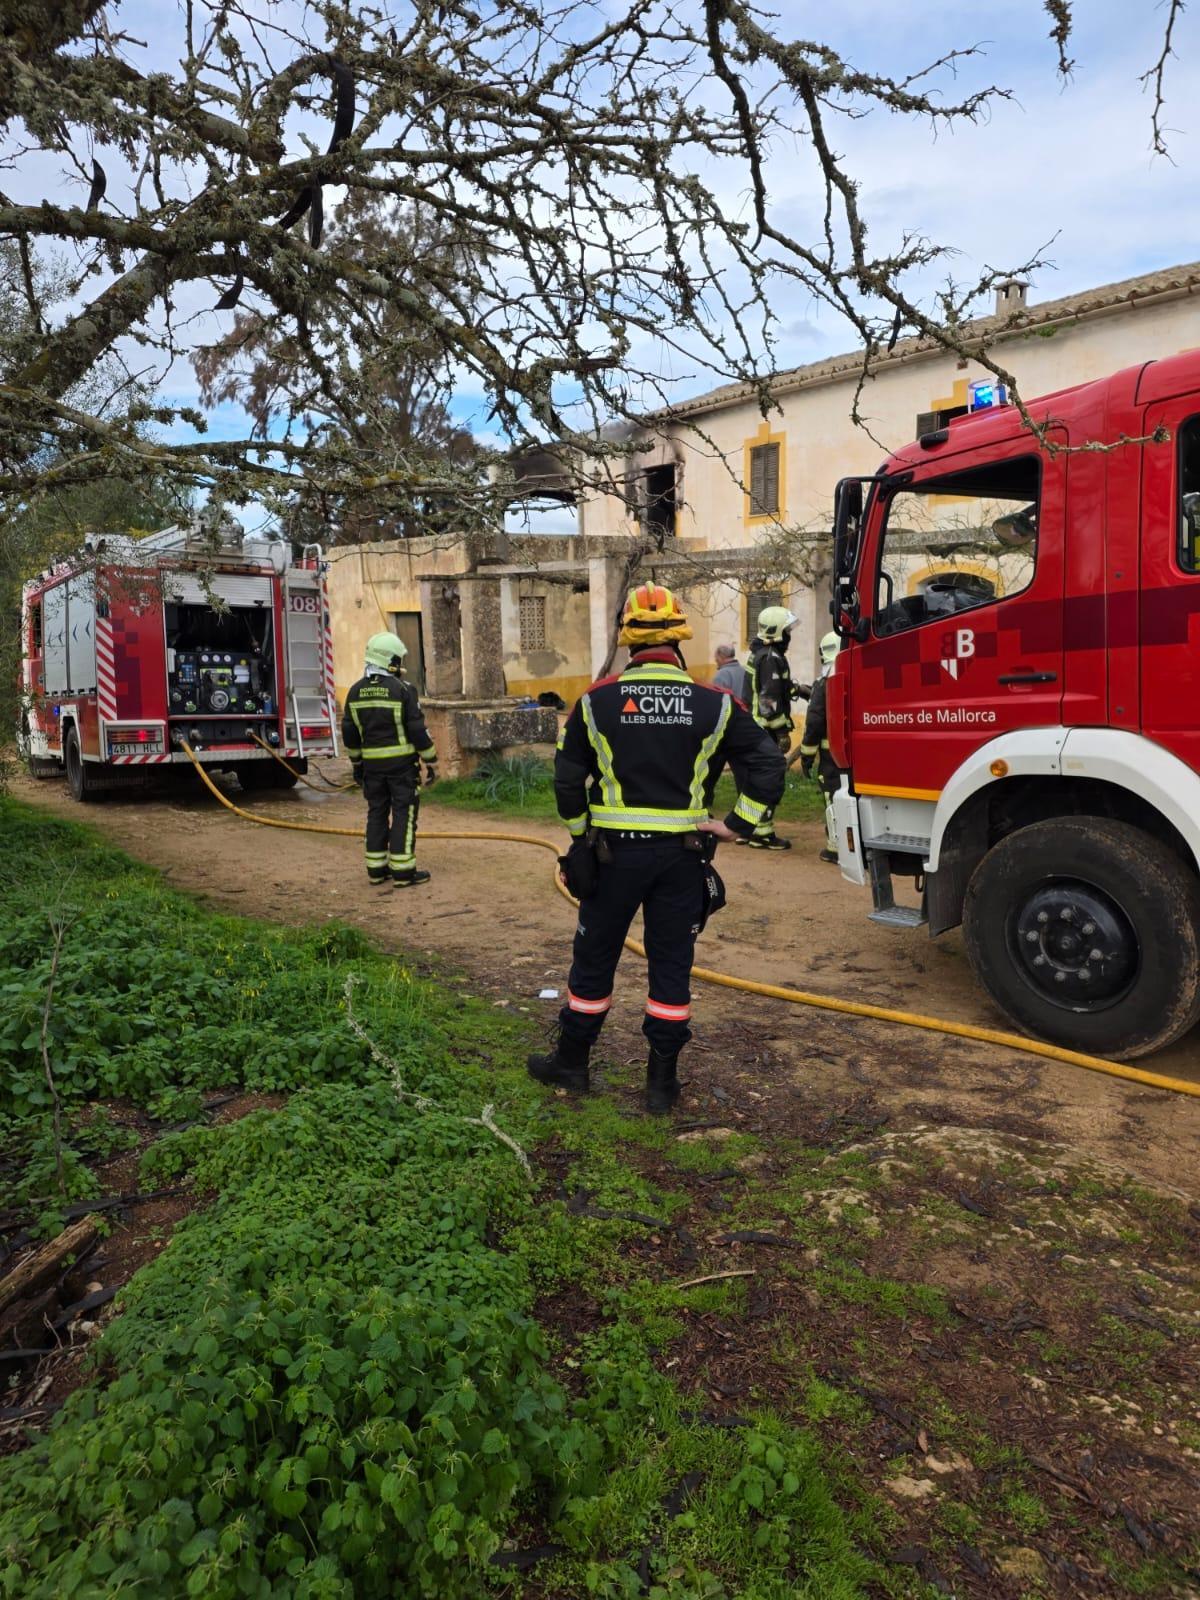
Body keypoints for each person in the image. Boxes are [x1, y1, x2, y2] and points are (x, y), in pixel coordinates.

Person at [527, 584, 786, 1112]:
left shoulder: (596, 701)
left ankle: (572, 1064)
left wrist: (578, 837)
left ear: (628, 640)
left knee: (595, 958)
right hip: (683, 859)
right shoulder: (716, 703)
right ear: (679, 639)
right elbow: (768, 763)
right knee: (671, 965)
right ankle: (661, 1086)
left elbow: (567, 780)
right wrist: (738, 824)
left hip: (610, 859)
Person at [341, 631, 438, 888]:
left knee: (377, 813)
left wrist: (357, 765)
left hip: (372, 769)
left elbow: (350, 734)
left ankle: (376, 870)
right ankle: (403, 872)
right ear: (390, 660)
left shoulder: (354, 692)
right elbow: (417, 730)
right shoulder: (403, 690)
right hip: (402, 768)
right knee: (403, 814)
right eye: (398, 659)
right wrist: (431, 759)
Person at [744, 604, 799, 850]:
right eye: (787, 630)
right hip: (765, 729)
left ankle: (748, 827)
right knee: (770, 778)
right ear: (777, 632)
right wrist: (782, 731)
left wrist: (797, 689)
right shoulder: (771, 658)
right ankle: (762, 833)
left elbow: (770, 689)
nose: (789, 635)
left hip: (754, 727)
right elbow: (768, 699)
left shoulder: (761, 653)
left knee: (755, 777)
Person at [799, 631, 842, 864]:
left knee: (833, 797)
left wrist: (806, 756)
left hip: (831, 757)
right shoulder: (857, 676)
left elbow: (815, 721)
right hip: (856, 756)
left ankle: (835, 848)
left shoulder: (824, 683)